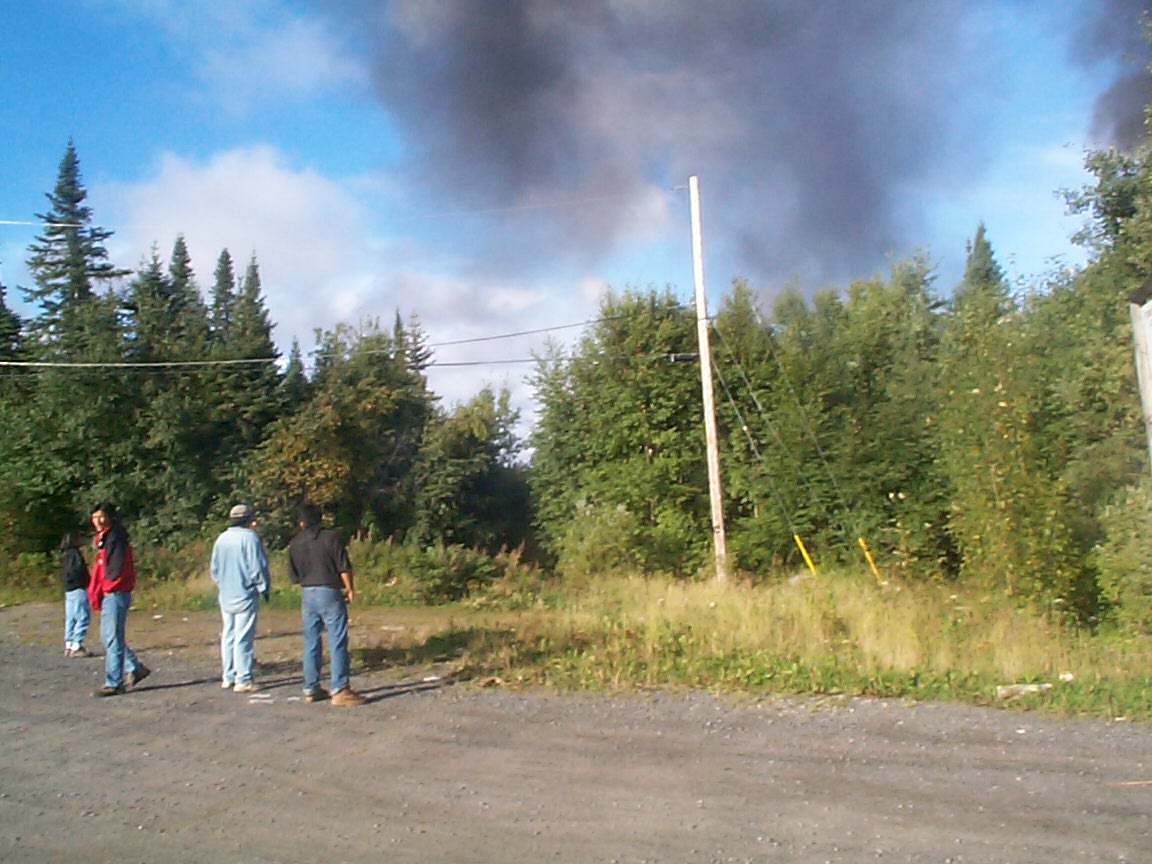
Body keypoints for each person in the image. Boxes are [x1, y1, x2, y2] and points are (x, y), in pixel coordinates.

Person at [287, 502, 366, 707]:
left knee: (311, 640)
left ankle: (311, 687)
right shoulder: (331, 537)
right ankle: (340, 688)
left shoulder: (295, 542)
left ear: (301, 522)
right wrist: (350, 589)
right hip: (329, 590)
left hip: (307, 592)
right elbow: (343, 566)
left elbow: (294, 576)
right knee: (337, 639)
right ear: (320, 518)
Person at [88, 502, 150, 697]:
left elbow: (114, 570)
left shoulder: (115, 538)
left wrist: (108, 588)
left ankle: (114, 682)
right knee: (108, 636)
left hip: (115, 593)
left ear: (110, 517)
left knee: (112, 637)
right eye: (95, 516)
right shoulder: (106, 538)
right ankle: (134, 667)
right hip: (110, 593)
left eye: (101, 516)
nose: (98, 520)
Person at [210, 503, 270, 693]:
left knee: (228, 634)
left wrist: (222, 585)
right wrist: (263, 587)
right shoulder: (250, 538)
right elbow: (257, 566)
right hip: (245, 594)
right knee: (243, 637)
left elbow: (214, 569)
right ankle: (243, 678)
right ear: (247, 520)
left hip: (226, 594)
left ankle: (228, 676)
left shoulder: (222, 538)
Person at [59, 531, 91, 658]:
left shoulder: (64, 555)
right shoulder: (75, 555)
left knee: (71, 617)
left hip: (69, 589)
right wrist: (87, 580)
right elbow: (78, 571)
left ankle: (69, 643)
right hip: (78, 587)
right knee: (82, 616)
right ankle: (77, 645)